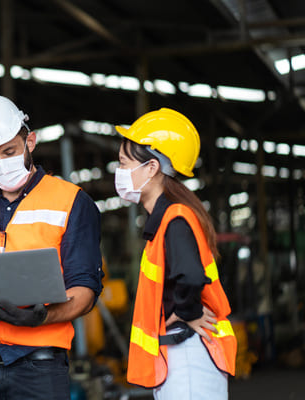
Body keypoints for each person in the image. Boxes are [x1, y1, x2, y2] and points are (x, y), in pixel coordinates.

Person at [0, 94, 103, 399]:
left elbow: (85, 288)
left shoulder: (71, 202)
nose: (1, 164)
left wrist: (41, 317)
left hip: (38, 362)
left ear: (31, 141)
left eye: (9, 151)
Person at [114, 108, 237, 399]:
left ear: (152, 168)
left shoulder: (175, 218)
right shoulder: (167, 219)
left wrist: (187, 312)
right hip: (179, 356)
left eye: (123, 163)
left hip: (189, 357)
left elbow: (191, 275)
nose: (118, 172)